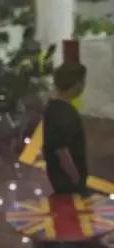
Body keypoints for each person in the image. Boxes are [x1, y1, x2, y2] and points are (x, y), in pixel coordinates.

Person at [43, 62, 88, 195]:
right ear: (77, 85)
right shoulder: (65, 114)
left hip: (57, 174)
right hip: (67, 179)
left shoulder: (52, 106)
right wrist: (76, 178)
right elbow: (62, 151)